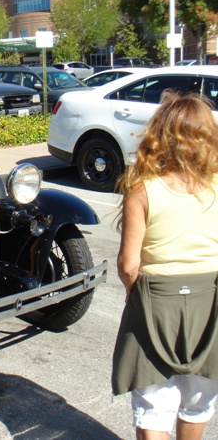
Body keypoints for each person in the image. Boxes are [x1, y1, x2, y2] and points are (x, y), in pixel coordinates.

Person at [112, 90, 218, 440]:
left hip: (156, 298)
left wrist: (136, 295)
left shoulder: (142, 189)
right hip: (211, 299)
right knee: (198, 400)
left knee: (154, 406)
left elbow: (129, 265)